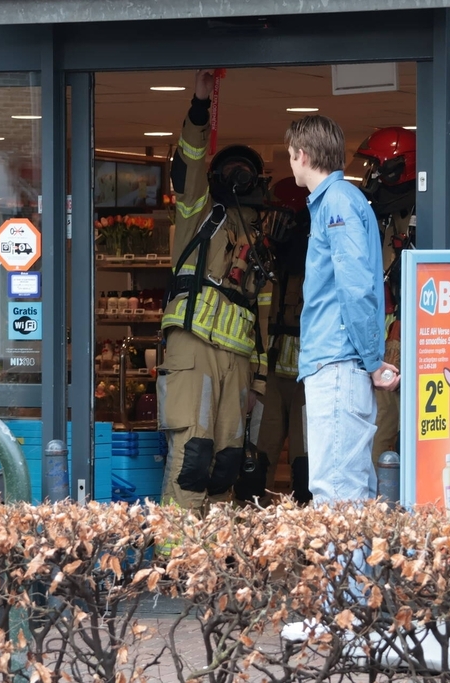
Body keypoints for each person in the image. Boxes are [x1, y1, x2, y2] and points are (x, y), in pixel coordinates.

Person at [157, 69, 271, 511]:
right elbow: (190, 160)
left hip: (238, 362)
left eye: (249, 173)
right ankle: (174, 566)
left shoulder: (257, 241)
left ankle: (213, 570)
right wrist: (200, 104)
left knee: (226, 464)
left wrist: (258, 381)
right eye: (234, 169)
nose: (240, 178)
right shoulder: (197, 213)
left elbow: (260, 318)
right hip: (195, 350)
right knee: (193, 458)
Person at [285, 115, 400, 504]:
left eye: (290, 155)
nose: (290, 163)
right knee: (352, 495)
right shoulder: (342, 201)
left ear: (302, 155)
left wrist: (372, 361)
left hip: (337, 365)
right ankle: (357, 566)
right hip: (340, 365)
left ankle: (341, 569)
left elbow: (355, 288)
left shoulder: (336, 203)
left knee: (336, 497)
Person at [348, 126, 417, 469]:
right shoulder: (386, 219)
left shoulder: (426, 215)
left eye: (377, 167)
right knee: (381, 435)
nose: (371, 176)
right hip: (389, 342)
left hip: (420, 340)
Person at [244, 177, 312, 505]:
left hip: (308, 379)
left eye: (281, 217)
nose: (274, 226)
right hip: (270, 375)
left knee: (305, 463)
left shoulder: (318, 264)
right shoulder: (266, 265)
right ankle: (253, 526)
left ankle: (305, 535)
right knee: (259, 458)